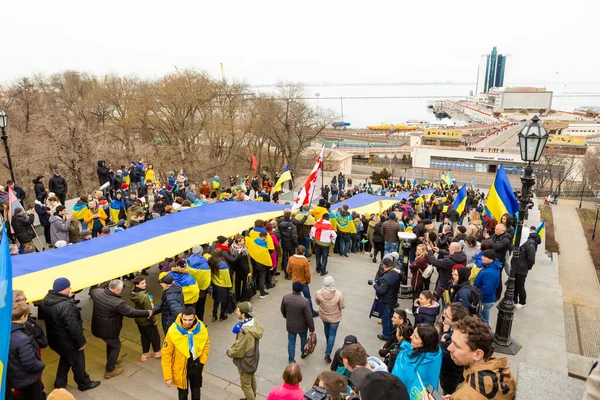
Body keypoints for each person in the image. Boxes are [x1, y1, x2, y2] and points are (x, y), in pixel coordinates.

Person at [38, 278, 100, 391]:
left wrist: (67, 298)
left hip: (55, 341)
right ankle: (84, 383)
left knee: (66, 359)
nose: (71, 289)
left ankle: (60, 383)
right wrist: (81, 343)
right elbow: (74, 327)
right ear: (63, 290)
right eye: (68, 287)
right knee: (78, 364)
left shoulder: (46, 300)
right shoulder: (66, 306)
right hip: (69, 343)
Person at [90, 279, 152, 379]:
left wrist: (109, 281)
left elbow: (98, 288)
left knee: (110, 344)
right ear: (117, 290)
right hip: (110, 330)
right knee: (116, 346)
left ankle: (112, 360)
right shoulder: (117, 303)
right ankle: (110, 370)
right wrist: (147, 312)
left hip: (98, 327)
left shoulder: (97, 293)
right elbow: (131, 312)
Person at [448, 316, 516, 399]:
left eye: (457, 346)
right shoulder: (503, 371)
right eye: (452, 341)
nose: (449, 348)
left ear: (478, 354)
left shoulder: (462, 396)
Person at [162, 307, 210, 400]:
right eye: (185, 320)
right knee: (183, 394)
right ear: (181, 318)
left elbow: (206, 343)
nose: (187, 322)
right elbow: (166, 354)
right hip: (180, 368)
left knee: (196, 392)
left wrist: (202, 361)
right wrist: (168, 376)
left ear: (194, 317)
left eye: (190, 320)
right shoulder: (173, 331)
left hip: (196, 366)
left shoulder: (201, 327)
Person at [391, 324, 442, 399]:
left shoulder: (409, 363)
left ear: (424, 343)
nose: (411, 337)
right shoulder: (436, 353)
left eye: (415, 337)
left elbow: (398, 377)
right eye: (413, 334)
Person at [8, 302, 46, 400]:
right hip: (27, 379)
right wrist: (41, 365)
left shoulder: (7, 331)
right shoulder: (22, 338)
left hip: (14, 376)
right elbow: (30, 363)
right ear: (23, 316)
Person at [226, 302, 264, 400]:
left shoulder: (245, 331)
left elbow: (238, 349)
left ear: (243, 314)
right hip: (253, 356)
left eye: (238, 311)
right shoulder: (254, 322)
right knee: (251, 376)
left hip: (246, 360)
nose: (236, 312)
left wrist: (229, 352)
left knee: (245, 385)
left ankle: (250, 397)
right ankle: (253, 395)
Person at [281, 281, 315, 363]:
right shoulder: (305, 301)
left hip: (291, 325)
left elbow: (282, 310)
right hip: (302, 326)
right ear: (301, 290)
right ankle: (303, 352)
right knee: (303, 339)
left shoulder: (286, 298)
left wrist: (287, 317)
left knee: (291, 343)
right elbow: (309, 317)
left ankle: (291, 360)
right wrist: (312, 328)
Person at [439, 303, 470, 395]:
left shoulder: (457, 339)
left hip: (452, 381)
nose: (443, 317)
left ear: (456, 322)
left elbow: (443, 359)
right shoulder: (454, 331)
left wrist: (442, 341)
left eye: (446, 316)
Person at [130, 276, 162, 361]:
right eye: (142, 283)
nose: (145, 284)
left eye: (144, 282)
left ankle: (145, 353)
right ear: (137, 285)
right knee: (154, 336)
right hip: (147, 320)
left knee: (144, 336)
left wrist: (138, 273)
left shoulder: (133, 293)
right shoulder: (144, 297)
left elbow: (133, 285)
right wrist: (154, 321)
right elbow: (150, 311)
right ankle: (157, 351)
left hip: (139, 319)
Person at [315, 276, 345, 363]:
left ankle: (328, 343)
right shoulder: (339, 294)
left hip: (324, 315)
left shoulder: (318, 293)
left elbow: (317, 302)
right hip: (335, 317)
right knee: (332, 334)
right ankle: (328, 353)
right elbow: (342, 306)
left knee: (326, 329)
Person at [373, 257, 401, 341]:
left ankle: (386, 335)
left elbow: (380, 291)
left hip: (386, 301)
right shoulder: (395, 274)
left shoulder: (384, 279)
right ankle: (391, 330)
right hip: (393, 299)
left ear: (384, 266)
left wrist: (375, 285)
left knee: (385, 319)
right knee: (390, 316)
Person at [287, 245, 317, 316]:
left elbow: (288, 270)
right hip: (303, 282)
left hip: (295, 281)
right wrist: (308, 281)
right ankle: (311, 312)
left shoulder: (291, 258)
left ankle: (295, 312)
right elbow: (307, 274)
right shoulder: (305, 261)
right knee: (308, 298)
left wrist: (292, 276)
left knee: (295, 298)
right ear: (304, 252)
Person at [474, 249, 502, 326]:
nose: (482, 258)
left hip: (485, 300)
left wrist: (474, 292)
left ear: (491, 259)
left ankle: (485, 335)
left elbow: (487, 290)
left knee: (483, 320)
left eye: (485, 257)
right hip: (485, 299)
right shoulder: (489, 267)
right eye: (483, 255)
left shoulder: (490, 272)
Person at [186, 245, 212, 321]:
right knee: (200, 307)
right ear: (201, 252)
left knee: (192, 307)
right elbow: (207, 279)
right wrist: (209, 289)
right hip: (202, 291)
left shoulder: (188, 261)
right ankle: (199, 321)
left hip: (191, 290)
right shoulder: (205, 264)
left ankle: (192, 321)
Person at [514, 229, 538, 309]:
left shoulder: (530, 246)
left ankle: (522, 301)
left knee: (520, 285)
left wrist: (529, 267)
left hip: (521, 269)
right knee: (515, 284)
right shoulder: (521, 243)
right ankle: (514, 300)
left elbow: (531, 259)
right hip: (516, 267)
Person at [208, 247, 233, 322]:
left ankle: (214, 315)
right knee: (224, 302)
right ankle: (222, 315)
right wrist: (230, 287)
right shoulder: (223, 265)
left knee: (216, 301)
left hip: (215, 285)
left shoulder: (210, 261)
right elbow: (226, 278)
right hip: (223, 286)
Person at [230, 235, 252, 300]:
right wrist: (248, 271)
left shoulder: (233, 248)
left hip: (237, 269)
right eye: (242, 240)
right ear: (239, 242)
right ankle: (244, 297)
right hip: (243, 269)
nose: (244, 241)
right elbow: (242, 263)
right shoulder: (240, 251)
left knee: (237, 283)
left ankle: (237, 297)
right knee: (245, 283)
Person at [279, 209, 298, 280]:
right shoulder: (293, 226)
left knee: (285, 258)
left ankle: (286, 272)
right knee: (292, 259)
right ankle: (290, 273)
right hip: (291, 244)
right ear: (290, 215)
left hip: (284, 243)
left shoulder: (280, 224)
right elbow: (294, 237)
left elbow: (281, 234)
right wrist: (297, 245)